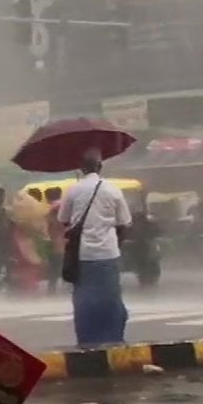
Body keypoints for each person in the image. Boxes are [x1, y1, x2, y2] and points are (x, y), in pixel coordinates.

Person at [58, 148, 133, 347]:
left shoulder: (73, 190)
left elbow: (63, 219)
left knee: (84, 301)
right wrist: (116, 245)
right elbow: (124, 223)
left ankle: (87, 342)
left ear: (82, 168)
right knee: (111, 300)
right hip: (108, 255)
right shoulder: (113, 189)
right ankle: (114, 340)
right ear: (100, 166)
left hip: (82, 256)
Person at [45, 187, 66, 295]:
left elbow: (50, 227)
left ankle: (51, 292)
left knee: (54, 270)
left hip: (56, 243)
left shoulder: (52, 210)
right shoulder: (66, 207)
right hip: (68, 242)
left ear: (47, 198)